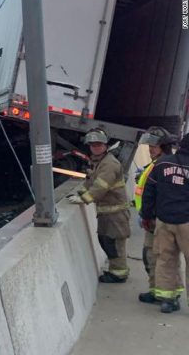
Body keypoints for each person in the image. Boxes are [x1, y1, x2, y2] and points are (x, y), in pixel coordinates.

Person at [140, 133, 189, 313]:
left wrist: (146, 216)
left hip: (164, 221)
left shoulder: (162, 164)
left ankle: (168, 300)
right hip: (187, 222)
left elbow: (149, 192)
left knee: (165, 258)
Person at [77, 128, 131, 283]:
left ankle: (119, 274)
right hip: (107, 213)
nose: (96, 147)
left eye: (99, 144)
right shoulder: (98, 162)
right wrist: (81, 192)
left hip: (116, 214)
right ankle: (116, 271)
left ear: (106, 145)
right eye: (93, 145)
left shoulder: (109, 164)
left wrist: (85, 198)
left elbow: (101, 186)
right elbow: (90, 181)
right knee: (107, 241)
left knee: (115, 244)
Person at [134, 126, 177, 303]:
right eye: (150, 145)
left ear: (163, 147)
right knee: (151, 257)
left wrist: (149, 216)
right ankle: (155, 290)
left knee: (159, 258)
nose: (151, 149)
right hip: (150, 219)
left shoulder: (163, 165)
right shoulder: (156, 164)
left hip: (156, 220)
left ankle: (167, 294)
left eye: (155, 146)